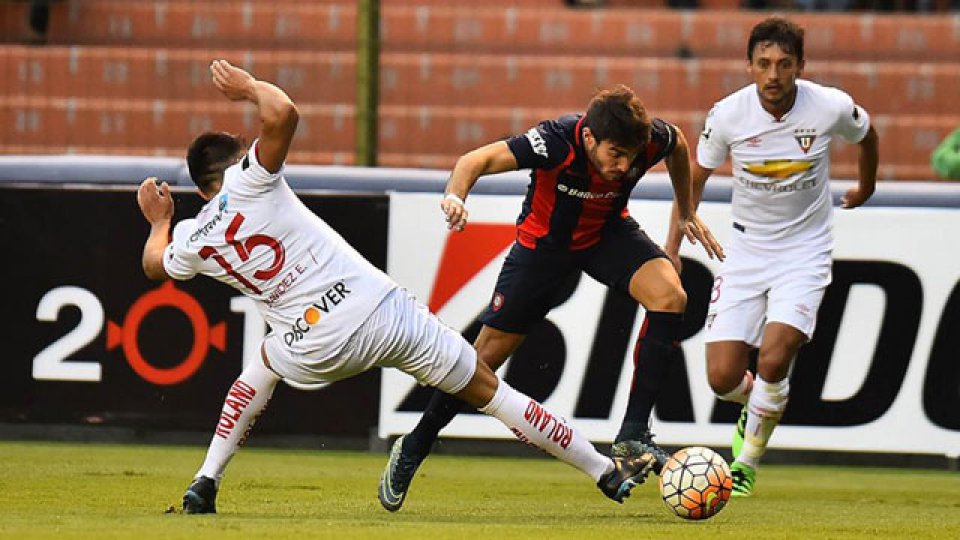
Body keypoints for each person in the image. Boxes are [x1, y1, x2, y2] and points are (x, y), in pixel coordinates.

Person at [136, 60, 658, 515]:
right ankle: (602, 470)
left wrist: (159, 221)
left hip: (310, 345)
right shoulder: (251, 178)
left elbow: (156, 267)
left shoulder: (193, 237)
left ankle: (206, 480)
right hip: (377, 310)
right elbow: (283, 113)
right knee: (487, 388)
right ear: (235, 163)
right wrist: (249, 86)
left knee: (260, 369)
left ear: (200, 190)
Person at [378, 84, 724, 512]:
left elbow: (678, 145)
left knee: (671, 294)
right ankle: (416, 444)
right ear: (590, 138)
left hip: (606, 235)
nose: (625, 165)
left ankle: (634, 432)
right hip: (543, 250)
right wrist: (455, 195)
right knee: (480, 362)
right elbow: (475, 160)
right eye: (616, 153)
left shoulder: (646, 138)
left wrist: (686, 210)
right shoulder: (555, 141)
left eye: (632, 157)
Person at [665, 17, 879, 497]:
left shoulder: (829, 106)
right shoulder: (727, 116)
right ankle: (763, 403)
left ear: (800, 66)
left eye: (784, 64)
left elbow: (867, 135)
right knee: (722, 378)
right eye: (763, 64)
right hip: (745, 250)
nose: (773, 74)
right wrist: (672, 247)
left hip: (805, 251)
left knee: (776, 356)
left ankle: (745, 462)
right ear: (749, 66)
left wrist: (866, 186)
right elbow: (693, 179)